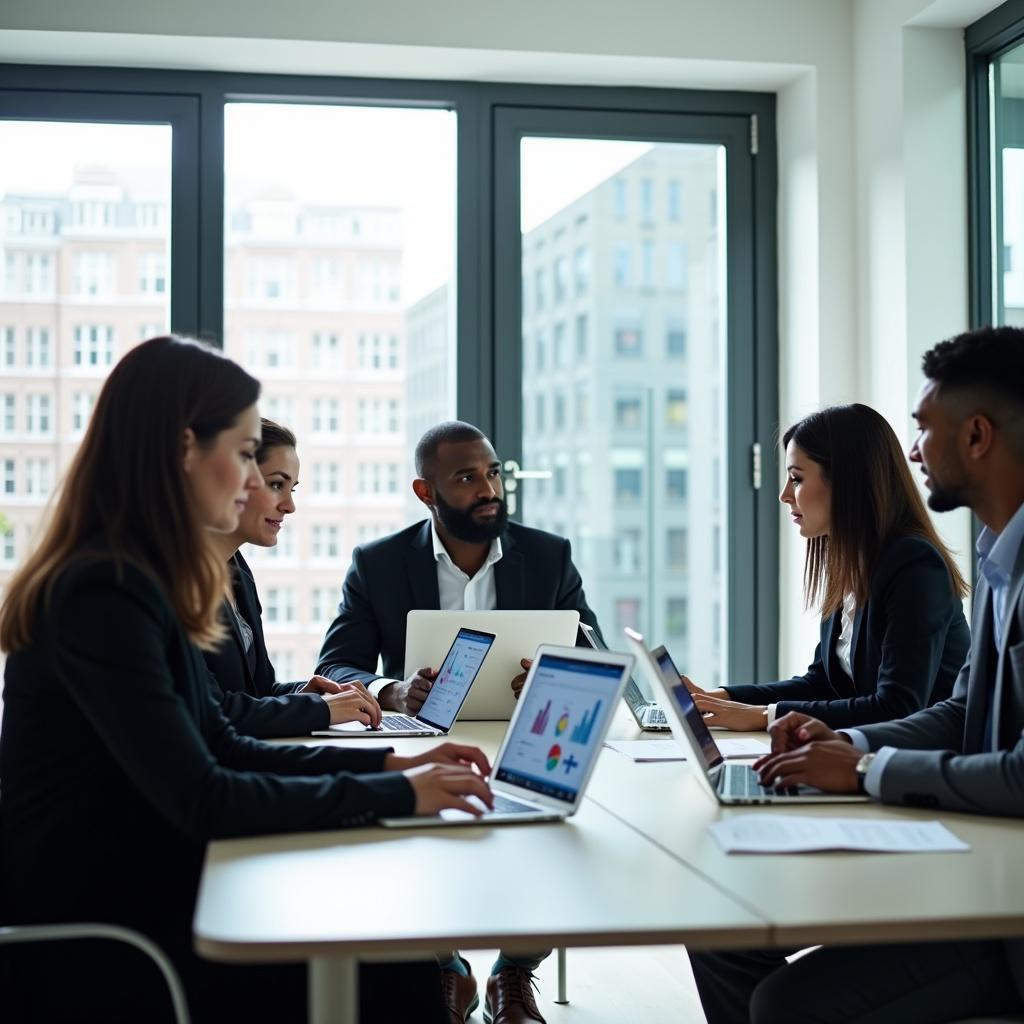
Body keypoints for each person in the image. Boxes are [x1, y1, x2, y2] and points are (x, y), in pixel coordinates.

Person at [0, 336, 493, 1024]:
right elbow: (205, 795)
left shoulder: (136, 578)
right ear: (181, 450)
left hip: (148, 882)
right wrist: (396, 790)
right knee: (387, 965)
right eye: (241, 454)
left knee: (388, 946)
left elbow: (223, 742)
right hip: (105, 935)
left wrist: (394, 765)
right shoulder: (104, 591)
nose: (253, 483)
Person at [688, 326, 1024, 1024]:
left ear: (978, 437)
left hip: (1002, 905)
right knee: (720, 931)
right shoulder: (999, 562)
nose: (912, 449)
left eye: (924, 428)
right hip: (974, 849)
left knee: (788, 1004)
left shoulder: (924, 564)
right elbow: (961, 712)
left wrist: (865, 769)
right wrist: (855, 749)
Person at [317, 419, 602, 1024]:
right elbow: (337, 663)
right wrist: (391, 690)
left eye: (493, 472)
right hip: (425, 740)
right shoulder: (379, 563)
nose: (488, 488)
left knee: (559, 825)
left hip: (527, 739)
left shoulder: (549, 556)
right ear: (427, 492)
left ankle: (513, 974)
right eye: (468, 477)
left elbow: (592, 651)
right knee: (404, 831)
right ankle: (445, 968)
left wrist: (556, 673)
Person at [685, 403, 970, 732]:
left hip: (921, 767)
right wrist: (719, 698)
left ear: (847, 481)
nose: (784, 495)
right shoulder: (849, 562)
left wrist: (765, 716)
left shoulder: (914, 564)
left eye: (796, 479)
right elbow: (822, 682)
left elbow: (896, 706)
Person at [203, 417, 382, 738]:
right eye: (276, 485)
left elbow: (256, 691)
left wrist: (303, 692)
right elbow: (211, 710)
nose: (290, 506)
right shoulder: (175, 581)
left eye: (292, 489)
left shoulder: (237, 570)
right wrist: (322, 709)